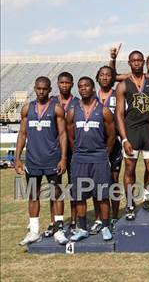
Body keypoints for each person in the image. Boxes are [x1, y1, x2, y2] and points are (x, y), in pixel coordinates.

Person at [15, 76, 68, 245]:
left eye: (44, 89)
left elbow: (63, 134)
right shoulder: (26, 109)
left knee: (56, 195)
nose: (41, 91)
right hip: (33, 160)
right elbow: (22, 134)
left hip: (52, 159)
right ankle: (34, 231)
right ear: (34, 88)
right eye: (38, 88)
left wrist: (63, 158)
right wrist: (17, 158)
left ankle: (58, 230)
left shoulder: (57, 109)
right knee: (33, 195)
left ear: (50, 90)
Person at [67, 77, 115, 242]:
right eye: (80, 87)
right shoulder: (73, 111)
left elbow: (111, 135)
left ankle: (105, 227)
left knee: (102, 195)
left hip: (99, 158)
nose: (83, 89)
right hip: (80, 158)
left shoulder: (104, 110)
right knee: (80, 195)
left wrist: (104, 153)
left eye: (87, 86)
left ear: (93, 88)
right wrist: (77, 151)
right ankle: (82, 228)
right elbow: (70, 134)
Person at [115, 50, 149, 220]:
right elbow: (119, 114)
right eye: (133, 61)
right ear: (129, 63)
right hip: (132, 131)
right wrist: (124, 138)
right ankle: (129, 204)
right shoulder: (123, 85)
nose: (136, 63)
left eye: (139, 60)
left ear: (143, 62)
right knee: (130, 169)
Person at [89, 66, 123, 234]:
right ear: (97, 78)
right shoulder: (91, 97)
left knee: (113, 182)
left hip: (114, 144)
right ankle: (98, 218)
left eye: (108, 75)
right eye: (101, 75)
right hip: (95, 145)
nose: (105, 77)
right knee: (96, 185)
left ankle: (115, 216)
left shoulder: (118, 94)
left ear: (112, 78)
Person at [50, 72, 80, 234]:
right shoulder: (52, 102)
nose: (64, 85)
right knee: (55, 188)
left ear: (72, 84)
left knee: (74, 187)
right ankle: (54, 221)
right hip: (55, 150)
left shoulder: (78, 103)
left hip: (73, 150)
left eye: (67, 83)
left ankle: (74, 220)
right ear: (57, 84)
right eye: (61, 82)